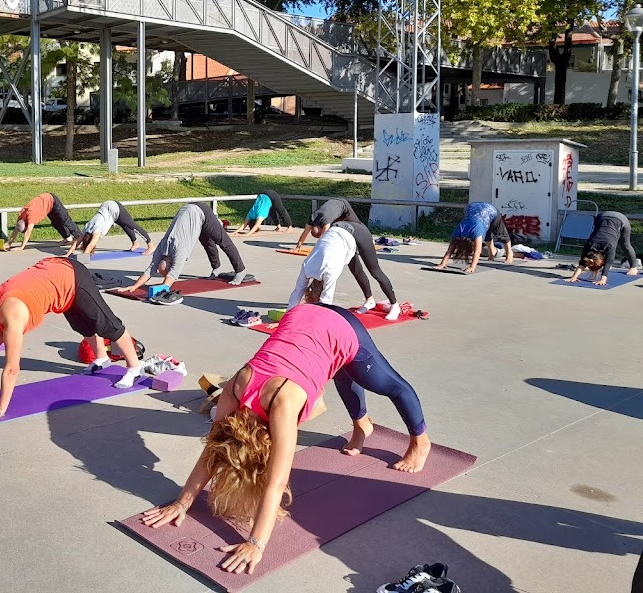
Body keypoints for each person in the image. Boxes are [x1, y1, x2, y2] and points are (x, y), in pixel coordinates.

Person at [140, 303, 430, 575]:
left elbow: (276, 483)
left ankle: (420, 441)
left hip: (340, 325)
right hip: (301, 318)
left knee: (388, 384)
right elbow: (213, 451)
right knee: (340, 367)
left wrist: (256, 543)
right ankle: (362, 426)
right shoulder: (235, 387)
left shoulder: (283, 405)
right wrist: (182, 502)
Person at [0, 257, 144, 421]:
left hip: (70, 275)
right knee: (81, 324)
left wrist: (0, 408)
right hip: (53, 276)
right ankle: (101, 358)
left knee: (106, 324)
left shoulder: (13, 317)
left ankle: (134, 366)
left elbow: (12, 369)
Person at [119, 202, 248, 292]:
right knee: (207, 242)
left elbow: (173, 274)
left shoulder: (179, 251)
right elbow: (150, 270)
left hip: (201, 211)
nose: (166, 276)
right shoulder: (161, 248)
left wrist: (163, 289)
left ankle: (240, 270)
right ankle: (217, 269)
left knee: (223, 241)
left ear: (172, 262)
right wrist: (134, 286)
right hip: (188, 213)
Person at [286, 224, 373, 312]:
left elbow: (326, 301)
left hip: (351, 235)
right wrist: (287, 316)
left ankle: (370, 300)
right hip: (332, 230)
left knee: (369, 270)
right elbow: (298, 291)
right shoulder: (306, 266)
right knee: (351, 267)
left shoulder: (328, 272)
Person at [435, 202, 513, 274]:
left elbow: (477, 252)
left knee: (501, 234)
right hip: (472, 208)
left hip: (490, 210)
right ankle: (491, 253)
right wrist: (442, 264)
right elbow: (449, 251)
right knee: (486, 232)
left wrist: (472, 267)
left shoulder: (476, 233)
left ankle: (509, 253)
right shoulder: (456, 233)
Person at [565, 211, 639, 285]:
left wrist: (603, 280)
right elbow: (582, 263)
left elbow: (608, 263)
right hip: (602, 217)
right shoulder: (589, 245)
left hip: (620, 219)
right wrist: (574, 277)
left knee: (625, 245)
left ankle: (633, 267)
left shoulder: (610, 246)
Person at [65, 200, 155, 256]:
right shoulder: (86, 228)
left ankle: (151, 245)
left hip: (114, 207)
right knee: (124, 225)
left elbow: (91, 245)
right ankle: (135, 243)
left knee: (132, 225)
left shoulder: (96, 230)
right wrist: (67, 255)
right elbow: (77, 242)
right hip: (106, 209)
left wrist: (83, 259)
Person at [6, 193, 80, 251]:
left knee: (65, 221)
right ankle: (67, 238)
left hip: (52, 199)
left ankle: (80, 237)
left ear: (26, 225)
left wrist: (22, 247)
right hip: (47, 205)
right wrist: (9, 243)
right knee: (55, 223)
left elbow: (28, 232)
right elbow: (16, 229)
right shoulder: (21, 216)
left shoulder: (31, 216)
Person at [293, 198, 361, 251]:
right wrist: (298, 247)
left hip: (343, 204)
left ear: (321, 228)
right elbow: (305, 233)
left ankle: (369, 240)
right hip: (333, 206)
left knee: (357, 225)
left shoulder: (325, 221)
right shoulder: (312, 218)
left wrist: (318, 251)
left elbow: (324, 238)